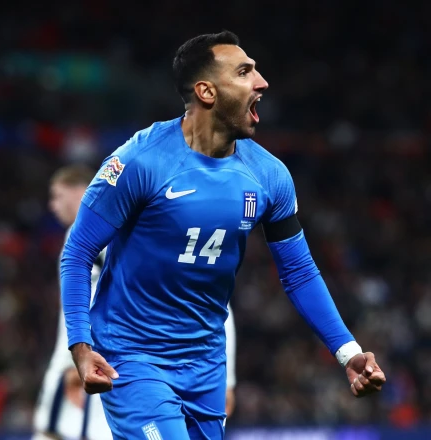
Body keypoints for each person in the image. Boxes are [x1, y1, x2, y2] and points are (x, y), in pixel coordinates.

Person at [61, 31, 386, 440]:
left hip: (205, 366)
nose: (262, 82)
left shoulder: (269, 176)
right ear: (207, 92)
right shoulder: (139, 162)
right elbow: (78, 251)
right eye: (245, 72)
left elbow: (299, 272)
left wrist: (348, 352)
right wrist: (81, 346)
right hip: (133, 357)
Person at [32, 165, 113, 440]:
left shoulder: (90, 233)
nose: (52, 205)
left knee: (51, 430)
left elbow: (98, 295)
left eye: (58, 195)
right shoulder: (99, 230)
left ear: (80, 191)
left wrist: (76, 357)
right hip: (81, 350)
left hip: (80, 351)